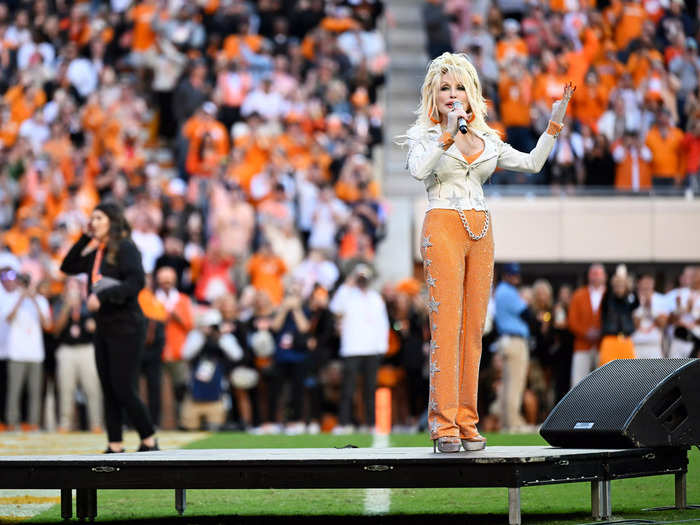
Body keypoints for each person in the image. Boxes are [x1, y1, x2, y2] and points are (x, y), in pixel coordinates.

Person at [400, 52, 574, 453]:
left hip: (480, 226)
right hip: (442, 220)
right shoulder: (423, 135)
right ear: (433, 93)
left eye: (459, 87)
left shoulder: (487, 138)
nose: (452, 94)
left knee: (474, 330)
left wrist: (554, 121)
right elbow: (419, 171)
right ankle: (443, 425)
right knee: (446, 328)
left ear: (472, 92)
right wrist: (446, 132)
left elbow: (532, 164)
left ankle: (466, 421)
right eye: (444, 87)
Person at [60, 202, 158, 453]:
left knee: (124, 386)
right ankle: (115, 444)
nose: (93, 222)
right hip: (105, 326)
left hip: (127, 325)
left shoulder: (126, 248)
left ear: (112, 221)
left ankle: (149, 439)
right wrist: (84, 237)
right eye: (91, 218)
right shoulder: (98, 252)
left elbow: (136, 283)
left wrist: (102, 297)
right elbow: (68, 266)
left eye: (98, 218)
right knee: (108, 387)